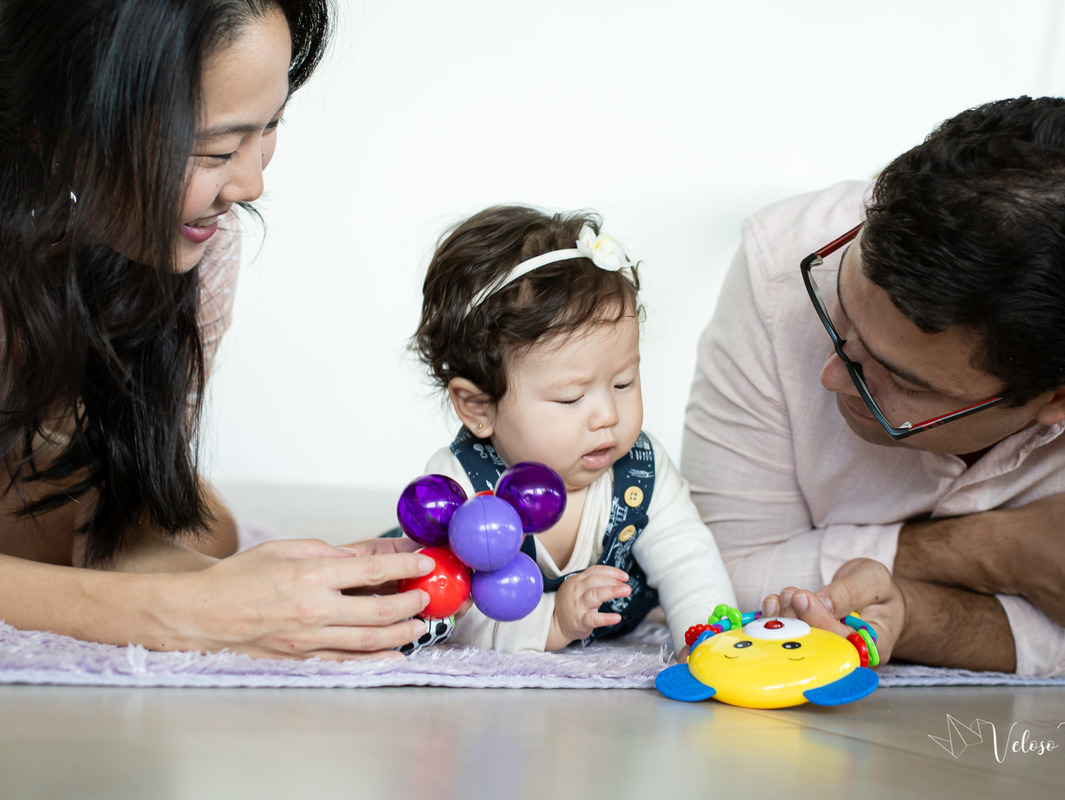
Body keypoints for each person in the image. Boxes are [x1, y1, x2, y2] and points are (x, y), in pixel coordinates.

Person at [682, 96, 1065, 677]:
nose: (831, 374)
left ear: (1060, 399)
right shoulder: (781, 261)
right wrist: (997, 551)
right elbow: (711, 582)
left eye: (900, 380)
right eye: (839, 314)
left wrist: (912, 611)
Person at [0, 0, 435, 659]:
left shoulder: (192, 258)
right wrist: (187, 611)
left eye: (269, 129)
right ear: (65, 126)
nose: (253, 181)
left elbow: (119, 531)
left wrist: (291, 592)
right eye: (217, 149)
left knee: (209, 532)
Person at [408, 205, 737, 653]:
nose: (607, 415)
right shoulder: (458, 492)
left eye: (623, 383)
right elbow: (451, 618)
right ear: (478, 406)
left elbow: (690, 562)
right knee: (397, 580)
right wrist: (554, 621)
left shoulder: (642, 471)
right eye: (570, 398)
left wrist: (710, 645)